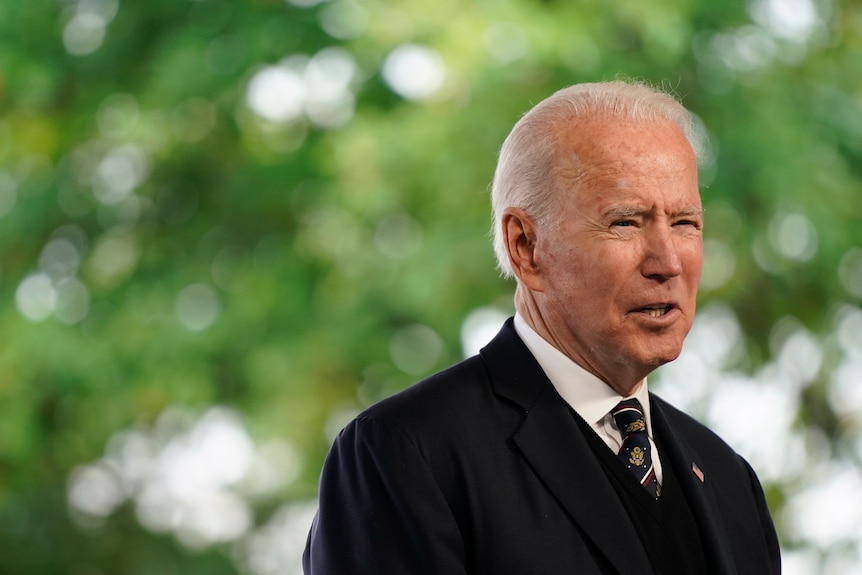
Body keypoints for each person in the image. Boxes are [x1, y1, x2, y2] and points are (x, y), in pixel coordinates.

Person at [303, 81, 781, 574]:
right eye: (625, 222)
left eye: (685, 223)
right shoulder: (406, 455)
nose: (667, 263)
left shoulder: (730, 481)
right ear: (526, 247)